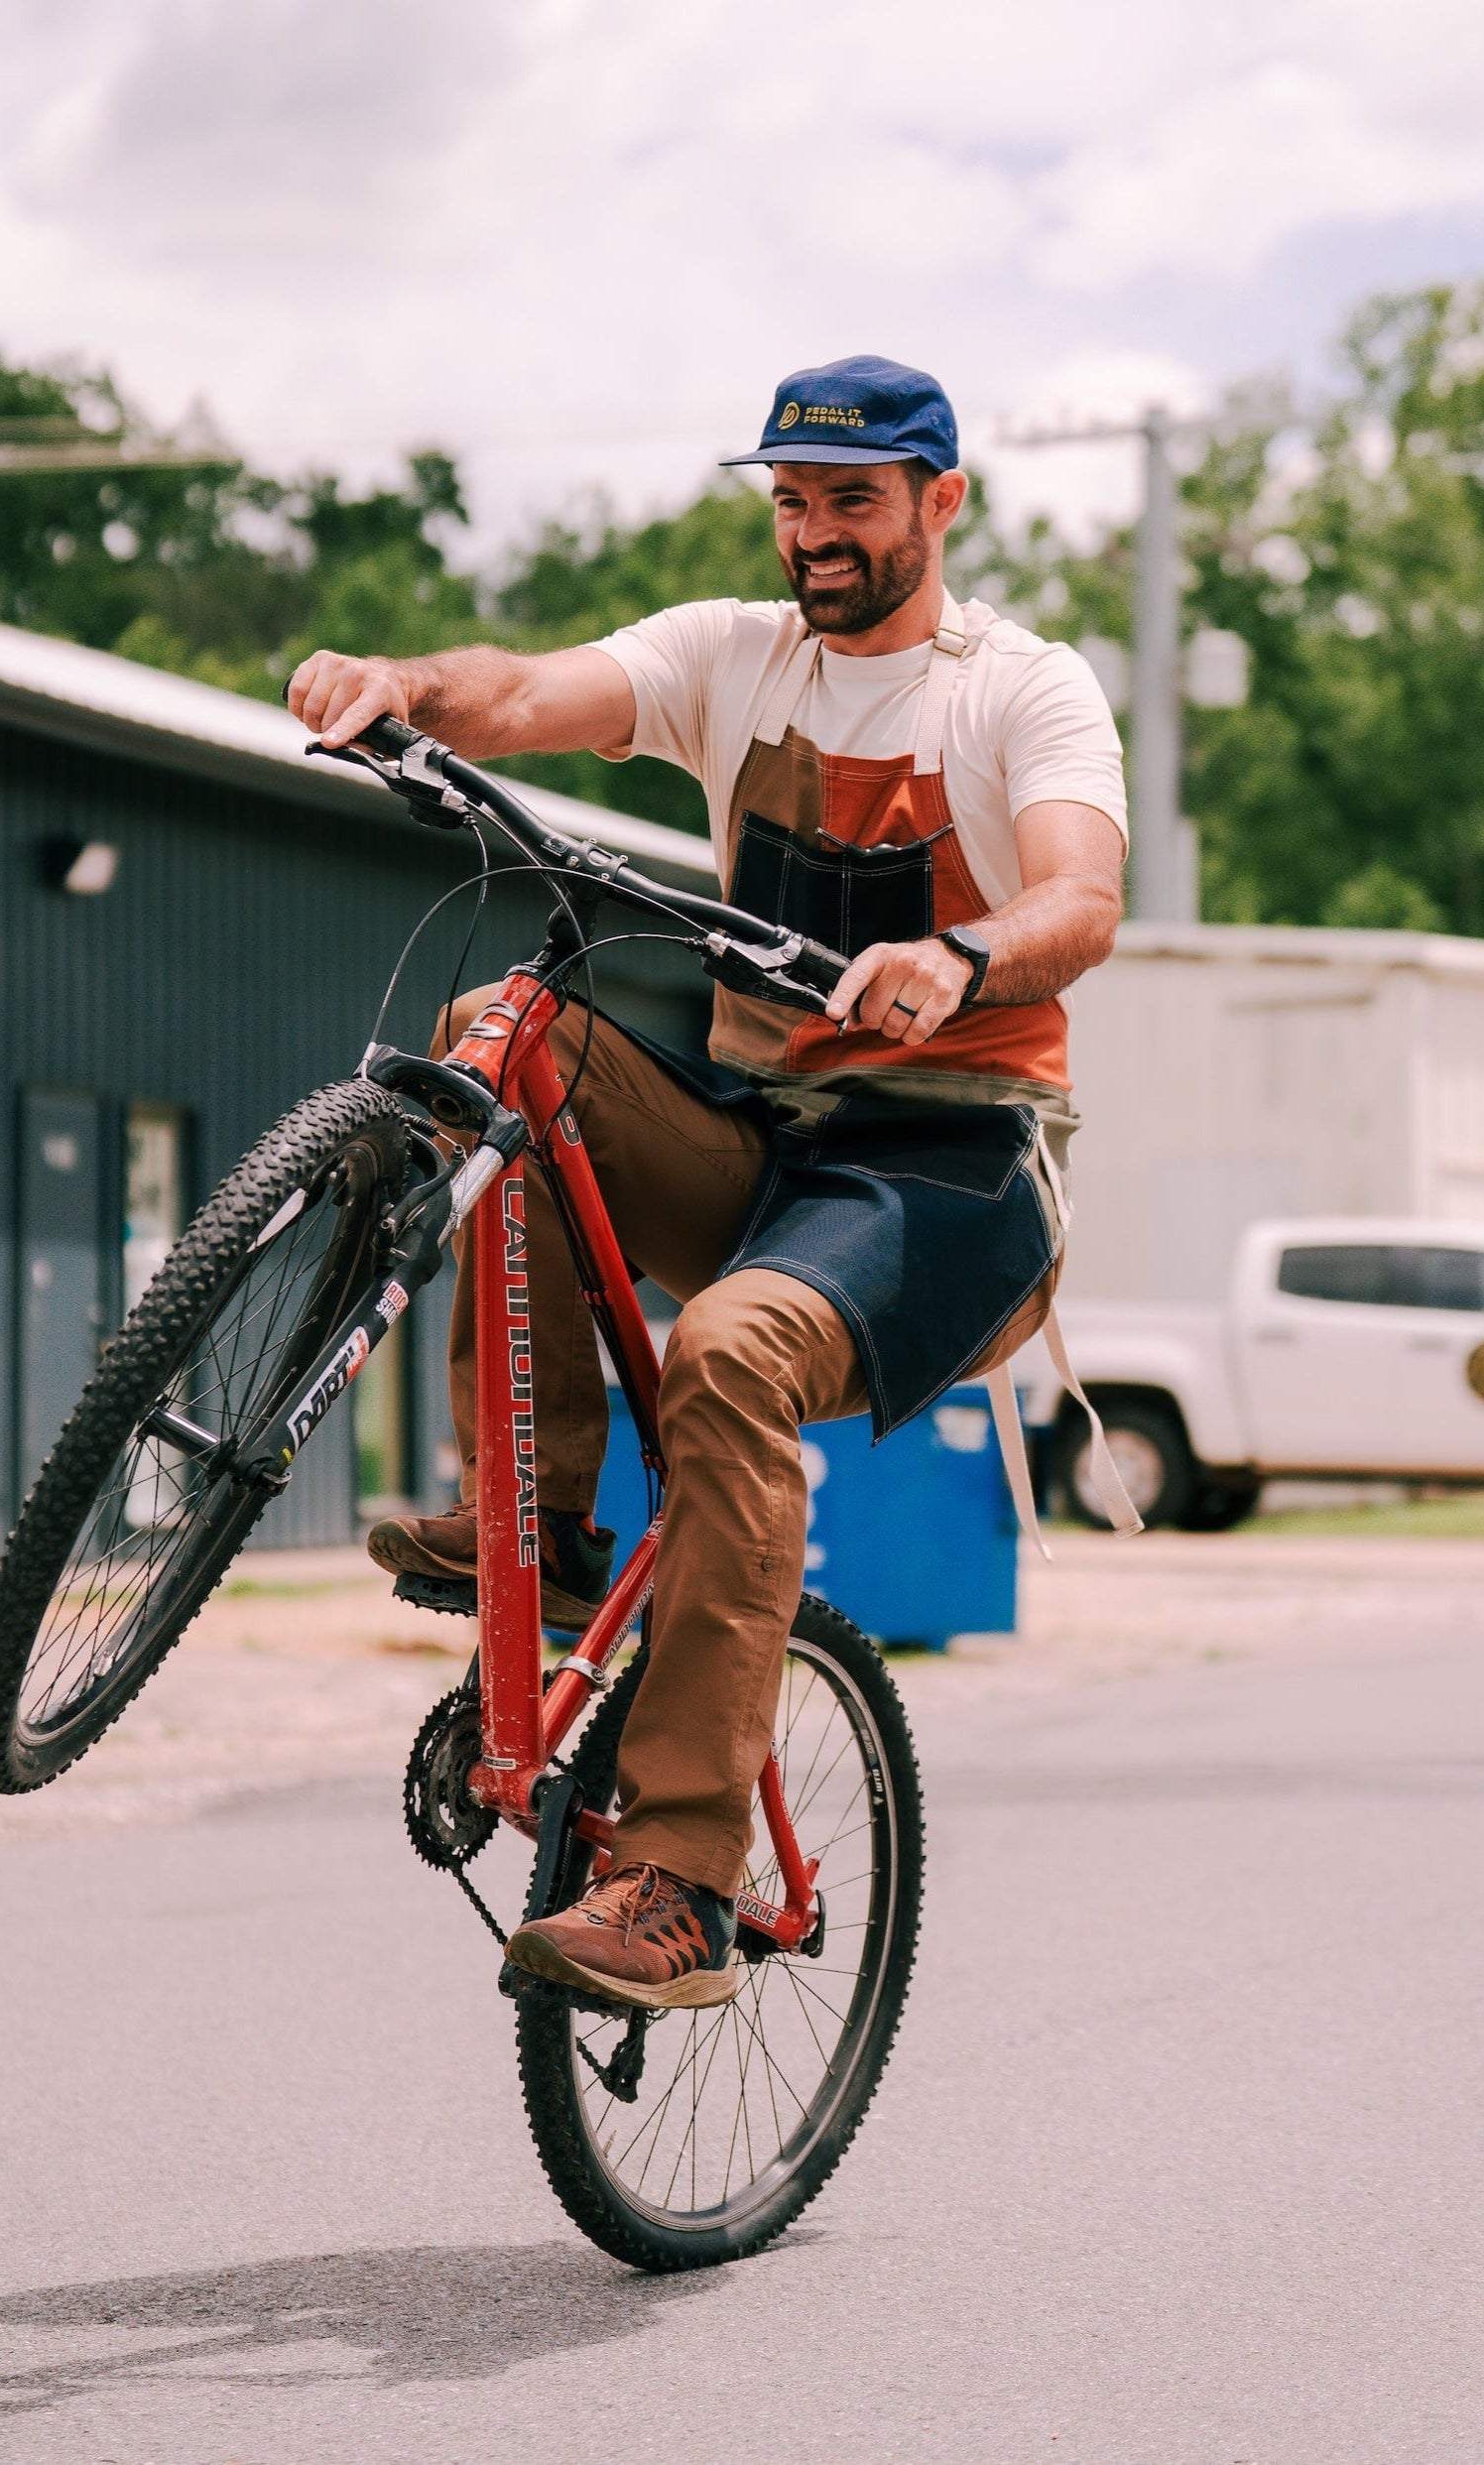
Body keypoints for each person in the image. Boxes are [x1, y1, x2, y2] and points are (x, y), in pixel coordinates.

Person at [287, 354, 1127, 2012]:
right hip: (774, 1148)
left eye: (853, 501)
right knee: (508, 1038)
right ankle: (540, 1521)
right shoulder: (729, 656)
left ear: (940, 502)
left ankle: (678, 1880)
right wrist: (397, 680)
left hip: (950, 1176)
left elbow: (1081, 897)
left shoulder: (1021, 689)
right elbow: (519, 693)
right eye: (792, 502)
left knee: (729, 1352)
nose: (814, 534)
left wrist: (961, 957)